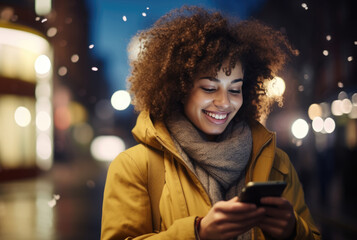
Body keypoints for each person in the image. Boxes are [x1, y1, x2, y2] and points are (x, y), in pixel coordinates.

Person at [101, 6, 321, 240]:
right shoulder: (134, 167)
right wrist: (197, 233)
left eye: (235, 89)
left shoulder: (279, 164)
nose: (224, 102)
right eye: (209, 88)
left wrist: (293, 231)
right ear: (180, 89)